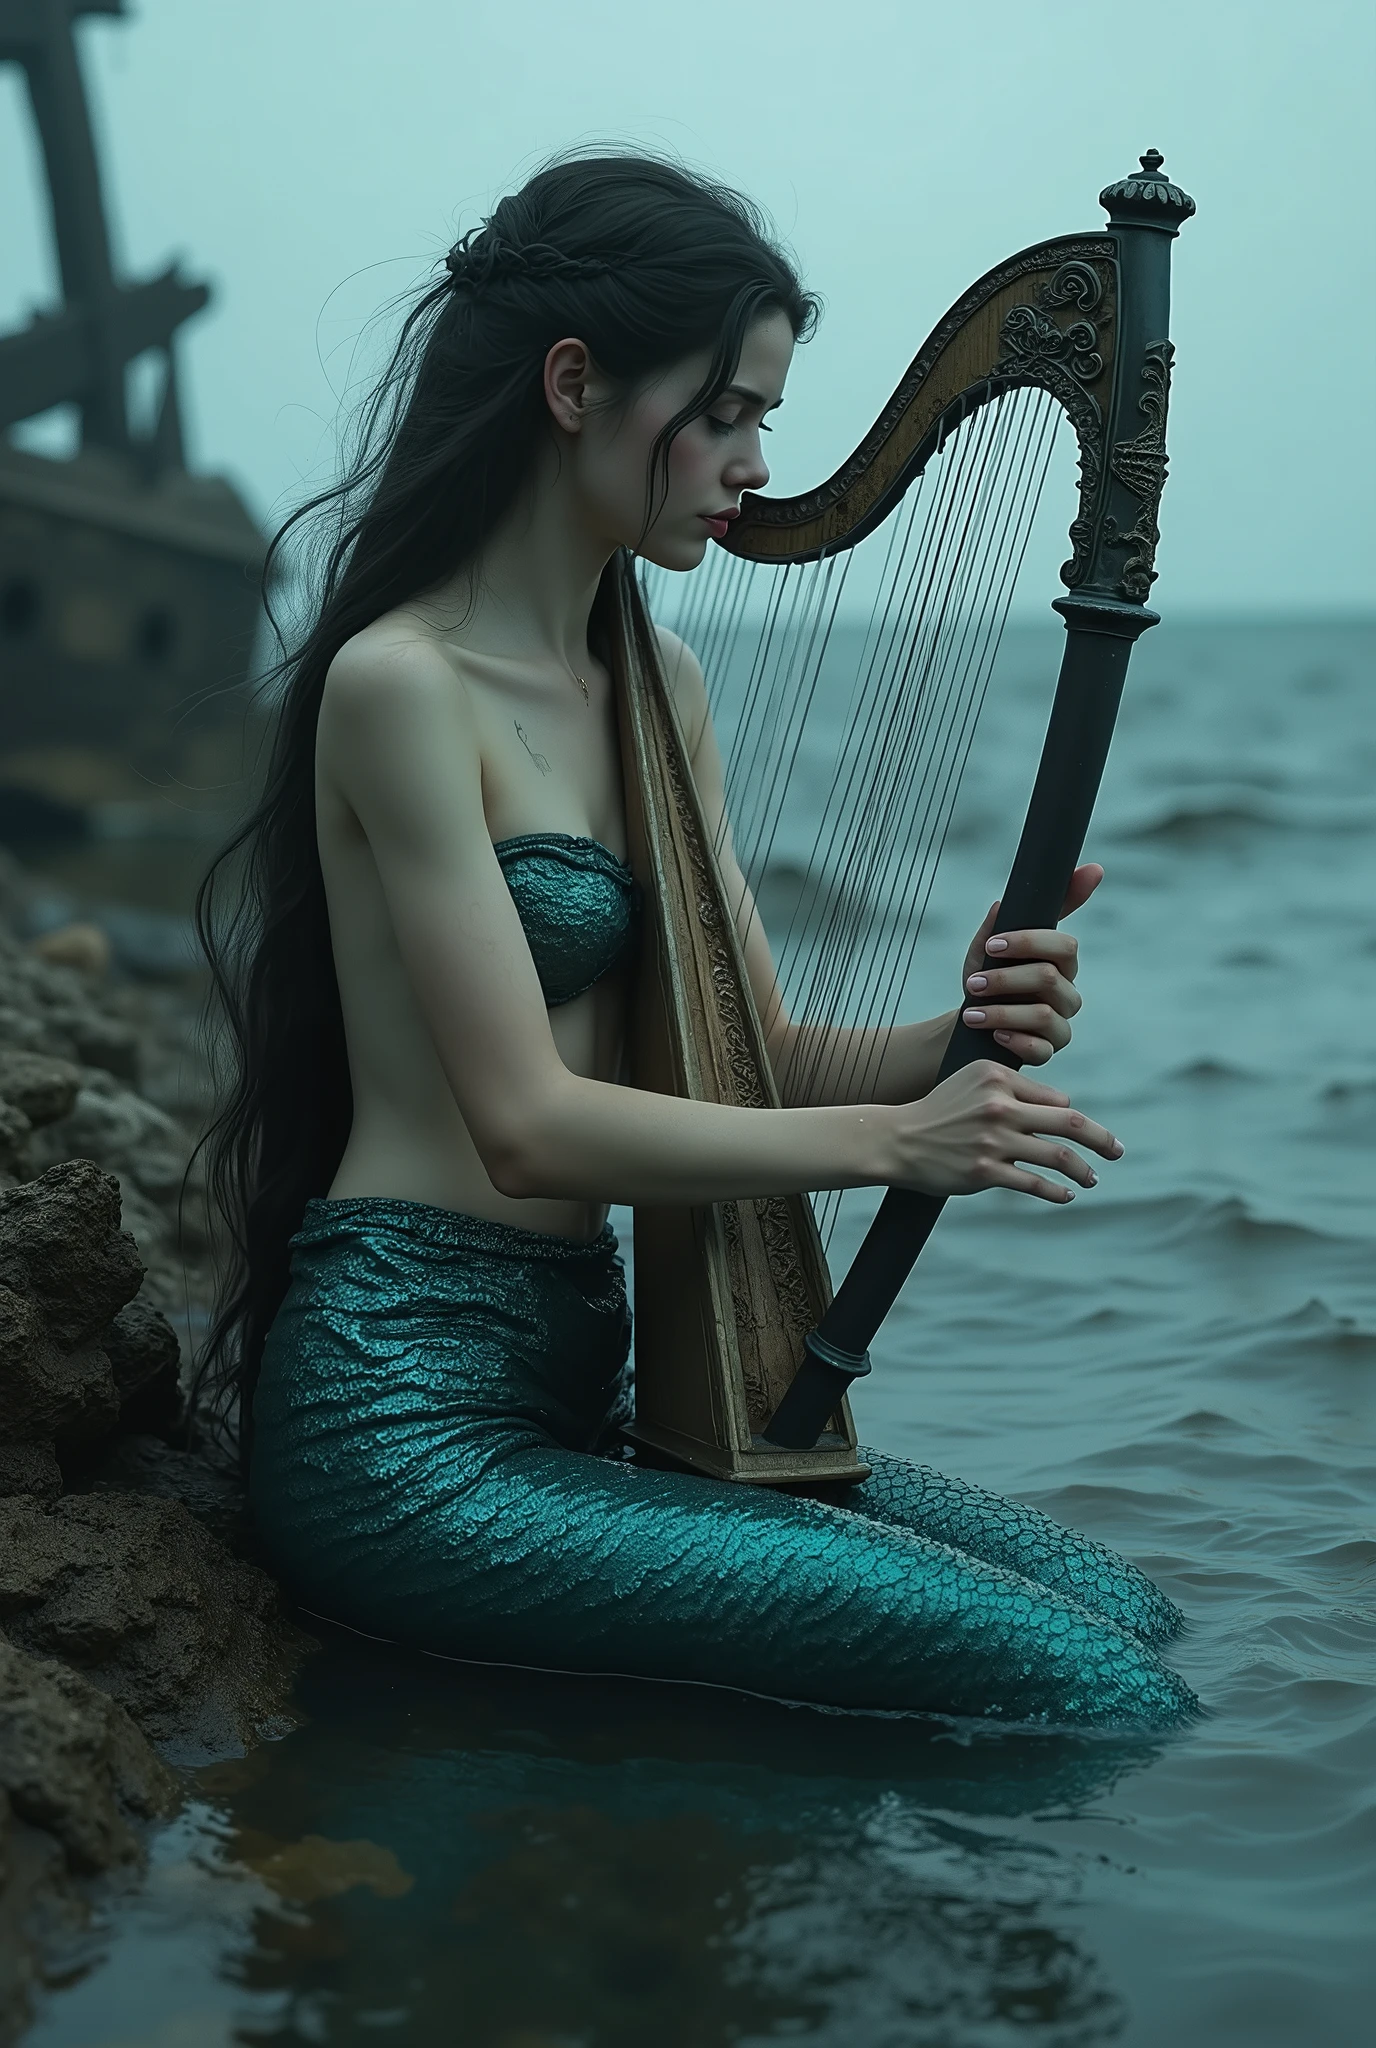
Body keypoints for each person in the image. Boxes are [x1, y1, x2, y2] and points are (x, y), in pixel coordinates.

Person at [199, 153, 1196, 1729]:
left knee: (1139, 1619)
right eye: (723, 415)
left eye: (767, 428)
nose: (747, 464)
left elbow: (769, 1058)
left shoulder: (658, 685)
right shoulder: (402, 686)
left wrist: (968, 1036)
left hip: (589, 1386)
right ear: (576, 384)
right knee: (1080, 1687)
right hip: (406, 1429)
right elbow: (526, 1130)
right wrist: (896, 1142)